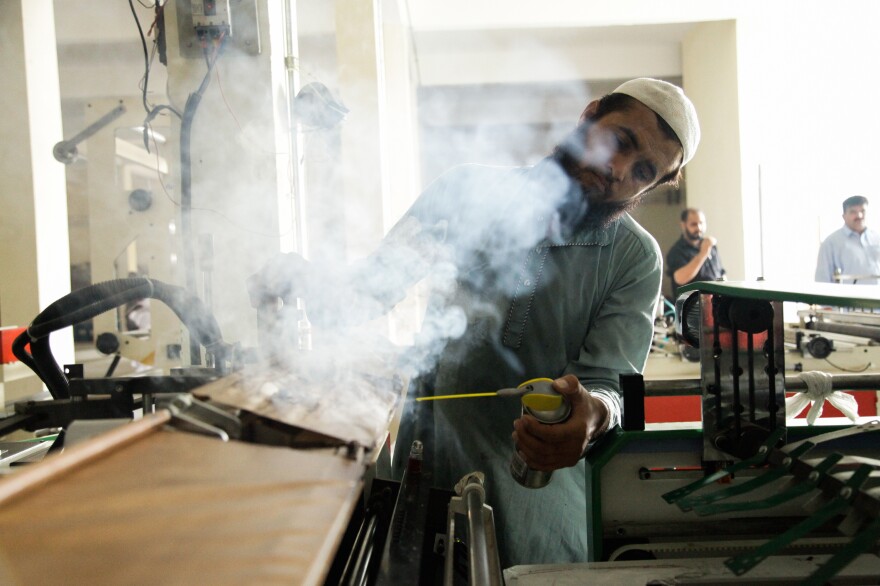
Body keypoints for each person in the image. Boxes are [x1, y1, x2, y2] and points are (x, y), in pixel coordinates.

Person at [248, 78, 700, 567]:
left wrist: (594, 416)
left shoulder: (634, 258)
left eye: (643, 171)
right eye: (620, 140)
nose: (616, 170)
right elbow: (366, 294)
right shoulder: (465, 193)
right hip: (425, 481)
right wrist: (304, 280)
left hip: (537, 515)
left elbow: (610, 385)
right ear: (589, 115)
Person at [815, 195, 880, 284]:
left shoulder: (877, 239)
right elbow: (822, 281)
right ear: (844, 216)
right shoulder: (830, 243)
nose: (859, 215)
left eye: (863, 211)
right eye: (853, 212)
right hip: (849, 297)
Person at [666, 208, 725, 293]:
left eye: (701, 223)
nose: (699, 228)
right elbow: (680, 279)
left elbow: (721, 274)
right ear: (683, 225)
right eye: (693, 224)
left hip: (717, 301)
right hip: (693, 303)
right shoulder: (676, 251)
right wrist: (703, 254)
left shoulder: (710, 246)